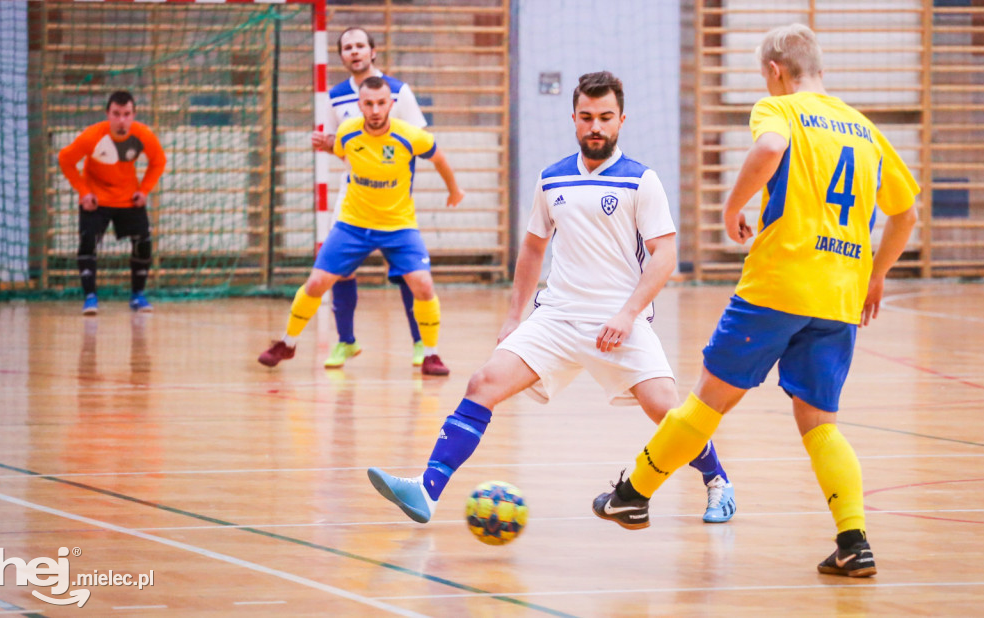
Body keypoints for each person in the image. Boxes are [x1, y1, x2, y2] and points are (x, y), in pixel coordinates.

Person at [592, 24, 920, 578]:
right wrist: (875, 275)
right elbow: (905, 212)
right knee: (820, 423)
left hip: (778, 284)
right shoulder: (865, 130)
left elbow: (769, 148)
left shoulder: (782, 112)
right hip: (839, 296)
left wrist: (732, 206)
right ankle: (854, 541)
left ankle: (633, 493)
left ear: (774, 71)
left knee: (707, 402)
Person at [366, 71, 736, 525]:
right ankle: (427, 490)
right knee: (483, 384)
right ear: (574, 119)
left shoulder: (642, 181)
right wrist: (513, 315)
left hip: (621, 323)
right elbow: (533, 248)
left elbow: (666, 256)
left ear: (622, 120)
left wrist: (627, 313)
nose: (595, 126)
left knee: (668, 411)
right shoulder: (552, 178)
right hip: (557, 317)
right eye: (586, 117)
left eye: (605, 117)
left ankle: (718, 482)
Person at [258, 76, 464, 376]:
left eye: (382, 103)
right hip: (353, 223)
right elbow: (342, 152)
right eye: (369, 104)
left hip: (399, 225)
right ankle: (287, 344)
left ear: (391, 105)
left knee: (423, 284)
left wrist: (454, 190)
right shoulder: (347, 132)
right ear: (360, 105)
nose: (376, 109)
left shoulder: (411, 136)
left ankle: (430, 354)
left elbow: (440, 159)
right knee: (316, 283)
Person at [310, 27, 431, 369]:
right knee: (339, 270)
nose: (354, 51)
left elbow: (419, 141)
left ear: (373, 51)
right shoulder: (335, 96)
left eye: (360, 45)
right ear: (342, 56)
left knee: (409, 273)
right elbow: (343, 147)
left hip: (393, 199)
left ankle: (421, 343)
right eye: (347, 47)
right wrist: (328, 145)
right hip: (353, 195)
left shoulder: (398, 91)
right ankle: (345, 341)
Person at [58, 91, 167, 315]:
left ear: (134, 115)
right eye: (116, 114)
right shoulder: (92, 136)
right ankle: (90, 297)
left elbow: (158, 161)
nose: (121, 120)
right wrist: (84, 192)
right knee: (87, 242)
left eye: (126, 114)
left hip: (128, 198)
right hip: (96, 199)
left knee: (143, 242)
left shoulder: (142, 135)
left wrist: (144, 190)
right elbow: (65, 159)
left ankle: (138, 295)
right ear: (108, 114)